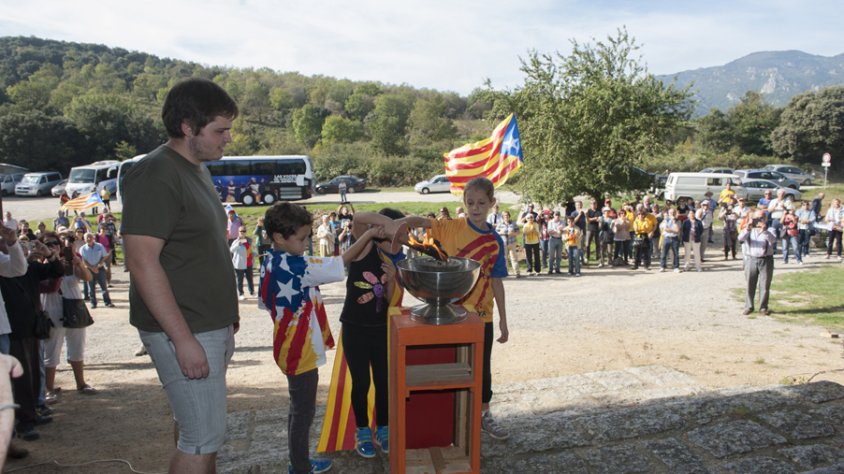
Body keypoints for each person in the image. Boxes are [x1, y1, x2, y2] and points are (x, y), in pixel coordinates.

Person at [121, 78, 240, 474]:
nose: (228, 138)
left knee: (201, 433)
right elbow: (141, 262)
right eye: (219, 130)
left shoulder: (196, 169)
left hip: (208, 324)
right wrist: (183, 339)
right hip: (186, 329)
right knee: (201, 438)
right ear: (188, 127)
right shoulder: (156, 174)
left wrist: (226, 315)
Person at [259, 202, 386, 474]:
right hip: (300, 349)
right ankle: (301, 466)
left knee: (298, 409)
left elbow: (265, 301)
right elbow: (340, 262)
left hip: (287, 345)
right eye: (302, 238)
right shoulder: (295, 266)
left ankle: (298, 461)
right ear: (280, 237)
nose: (307, 243)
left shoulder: (270, 261)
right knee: (303, 413)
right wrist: (369, 234)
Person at [396, 177, 510, 440]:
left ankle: (484, 414)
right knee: (451, 369)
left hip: (482, 316)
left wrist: (503, 320)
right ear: (464, 203)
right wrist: (397, 224)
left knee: (482, 369)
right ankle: (453, 419)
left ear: (492, 204)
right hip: (449, 314)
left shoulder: (495, 242)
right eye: (470, 202)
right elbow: (420, 222)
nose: (476, 208)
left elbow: (497, 281)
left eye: (482, 203)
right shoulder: (450, 228)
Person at [338, 208, 407, 459]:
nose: (397, 242)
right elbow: (357, 218)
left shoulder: (394, 262)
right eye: (394, 236)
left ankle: (384, 429)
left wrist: (390, 283)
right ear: (382, 233)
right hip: (355, 329)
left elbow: (389, 304)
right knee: (361, 383)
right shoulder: (365, 247)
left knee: (383, 381)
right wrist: (386, 224)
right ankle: (363, 431)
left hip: (380, 330)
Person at [42, 231, 96, 406]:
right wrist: (48, 261)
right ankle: (49, 388)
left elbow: (87, 277)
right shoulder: (39, 263)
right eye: (48, 244)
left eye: (55, 244)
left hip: (74, 307)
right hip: (53, 309)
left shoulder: (72, 259)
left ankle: (81, 383)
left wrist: (78, 263)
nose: (52, 247)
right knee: (52, 349)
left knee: (77, 346)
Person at [738, 210, 777, 315]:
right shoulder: (749, 229)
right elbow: (740, 238)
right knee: (750, 283)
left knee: (765, 285)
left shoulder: (770, 229)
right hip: (751, 259)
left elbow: (773, 240)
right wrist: (747, 228)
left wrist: (765, 231)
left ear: (765, 219)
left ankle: (763, 307)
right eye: (757, 218)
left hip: (766, 259)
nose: (759, 220)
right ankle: (749, 306)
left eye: (761, 218)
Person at [78, 232, 113, 308]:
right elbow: (83, 261)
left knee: (104, 287)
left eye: (90, 237)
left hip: (100, 269)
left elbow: (104, 256)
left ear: (93, 238)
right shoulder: (82, 249)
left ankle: (107, 302)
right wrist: (91, 268)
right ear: (84, 239)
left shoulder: (99, 246)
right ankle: (93, 303)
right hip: (89, 270)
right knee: (91, 288)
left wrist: (98, 265)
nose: (89, 239)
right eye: (87, 237)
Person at [495, 211, 521, 277]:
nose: (506, 217)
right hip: (503, 243)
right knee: (504, 258)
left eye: (507, 215)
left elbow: (518, 232)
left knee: (514, 258)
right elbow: (496, 233)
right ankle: (506, 272)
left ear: (509, 216)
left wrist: (513, 233)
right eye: (505, 216)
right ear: (503, 217)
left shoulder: (513, 223)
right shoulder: (500, 224)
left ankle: (517, 272)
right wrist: (501, 232)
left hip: (512, 242)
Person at [230, 228, 254, 300]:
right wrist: (238, 244)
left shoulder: (248, 240)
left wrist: (254, 254)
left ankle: (252, 292)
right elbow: (231, 250)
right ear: (238, 232)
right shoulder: (236, 241)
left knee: (250, 279)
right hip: (239, 264)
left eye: (244, 231)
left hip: (248, 263)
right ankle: (241, 294)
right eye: (241, 231)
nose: (243, 232)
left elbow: (249, 251)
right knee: (240, 280)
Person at [631, 204, 656, 270]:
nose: (640, 215)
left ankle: (646, 265)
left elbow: (647, 229)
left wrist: (649, 231)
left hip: (645, 235)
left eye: (642, 214)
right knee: (636, 251)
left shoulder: (646, 220)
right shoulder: (636, 220)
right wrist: (637, 224)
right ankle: (636, 265)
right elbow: (636, 229)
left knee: (645, 251)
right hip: (638, 236)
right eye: (639, 214)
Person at [659, 207, 681, 272]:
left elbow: (677, 230)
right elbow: (665, 229)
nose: (672, 214)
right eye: (671, 213)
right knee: (664, 253)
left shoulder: (678, 221)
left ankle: (676, 267)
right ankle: (662, 266)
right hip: (667, 238)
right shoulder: (665, 220)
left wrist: (674, 222)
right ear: (668, 213)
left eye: (673, 212)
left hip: (675, 239)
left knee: (676, 254)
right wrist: (673, 230)